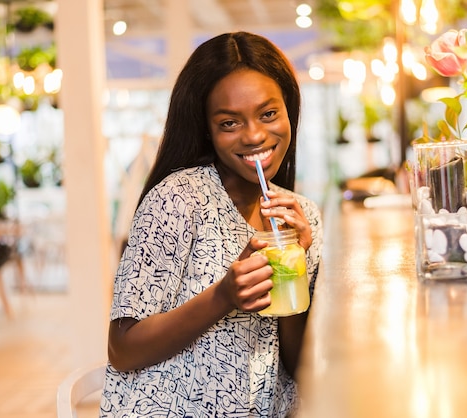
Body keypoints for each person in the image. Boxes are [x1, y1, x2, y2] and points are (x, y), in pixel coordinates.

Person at [99, 31, 323, 417]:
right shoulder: (178, 199)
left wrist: (294, 273)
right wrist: (223, 296)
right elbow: (122, 350)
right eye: (230, 123)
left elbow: (297, 363)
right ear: (207, 129)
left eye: (269, 114)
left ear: (290, 111)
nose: (254, 135)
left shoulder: (302, 216)